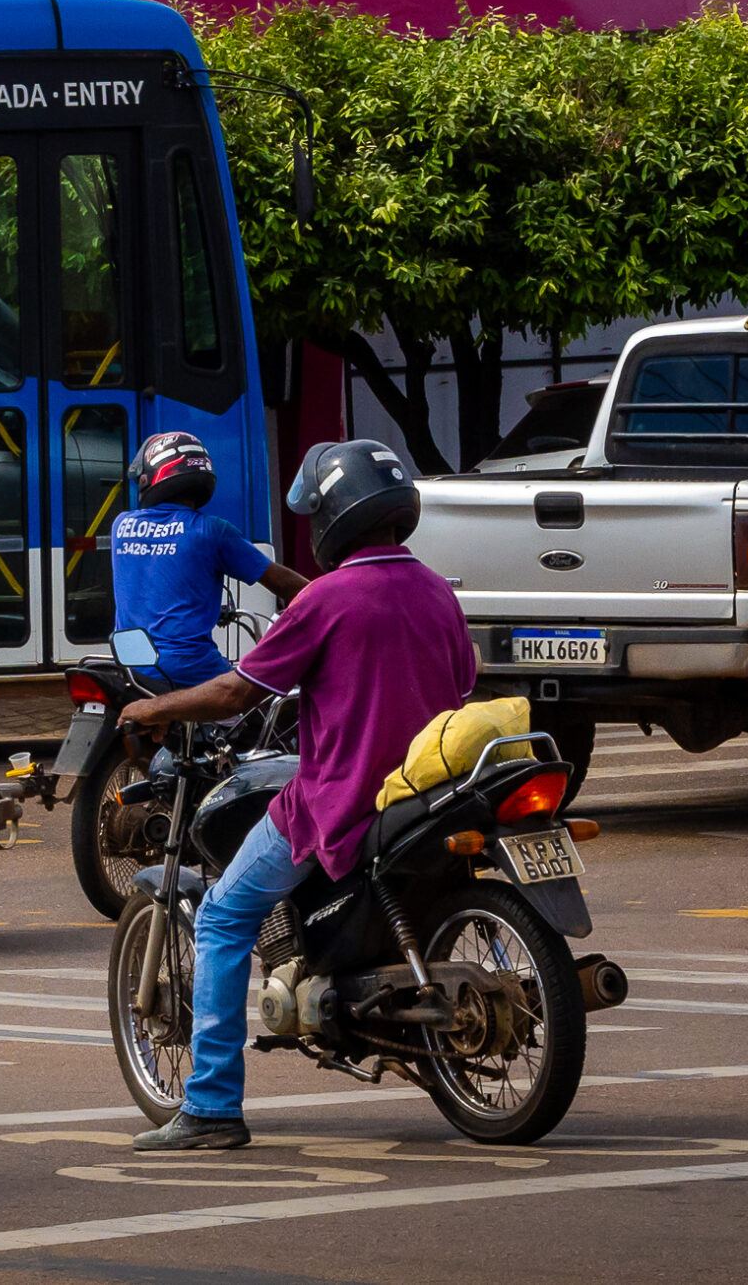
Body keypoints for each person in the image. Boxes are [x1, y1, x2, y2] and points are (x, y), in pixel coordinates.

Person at [119, 439, 476, 1151]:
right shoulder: (438, 590)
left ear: (334, 518)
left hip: (340, 798)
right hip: (430, 792)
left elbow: (236, 692)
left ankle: (211, 1106)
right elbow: (463, 684)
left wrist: (152, 708)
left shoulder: (325, 599)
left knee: (221, 916)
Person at [109, 431, 307, 687]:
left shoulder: (121, 526)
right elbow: (286, 584)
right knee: (264, 696)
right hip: (191, 668)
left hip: (130, 665)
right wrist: (332, 599)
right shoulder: (212, 531)